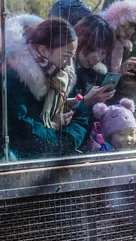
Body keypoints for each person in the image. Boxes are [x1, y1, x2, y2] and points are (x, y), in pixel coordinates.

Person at [5, 18, 88, 160]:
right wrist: (53, 126)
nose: (69, 63)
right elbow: (20, 127)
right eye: (66, 56)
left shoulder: (62, 76)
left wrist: (65, 141)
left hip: (52, 154)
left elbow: (81, 116)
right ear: (43, 50)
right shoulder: (15, 76)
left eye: (72, 57)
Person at [99, 0, 136, 76]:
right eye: (129, 25)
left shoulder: (130, 46)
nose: (131, 32)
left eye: (135, 28)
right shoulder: (100, 39)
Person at [71, 15, 116, 109]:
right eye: (93, 49)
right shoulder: (61, 68)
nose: (98, 58)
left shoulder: (98, 73)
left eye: (103, 53)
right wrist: (86, 101)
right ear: (80, 40)